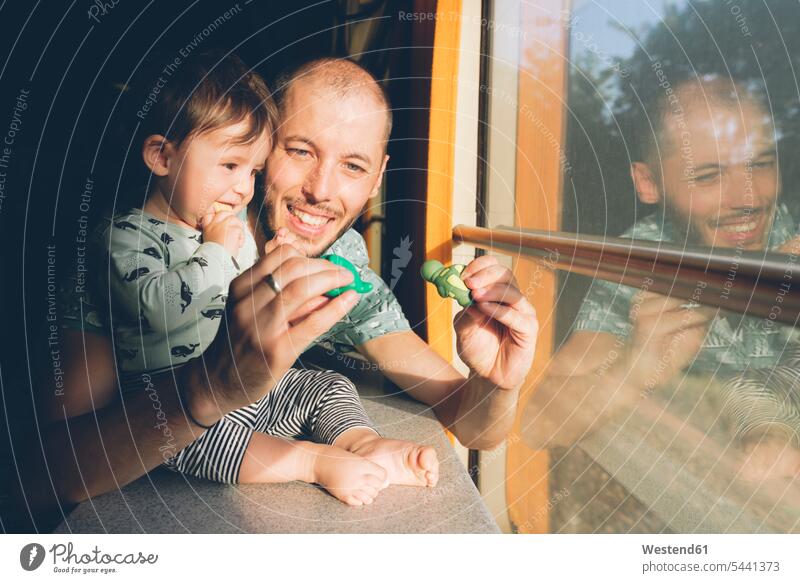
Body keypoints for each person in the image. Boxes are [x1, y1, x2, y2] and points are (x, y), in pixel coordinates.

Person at [27, 56, 537, 521]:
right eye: (300, 151)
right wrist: (206, 389)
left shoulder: (339, 269)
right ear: (263, 146)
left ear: (377, 178)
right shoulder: (136, 249)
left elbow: (475, 426)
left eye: (353, 166)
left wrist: (497, 380)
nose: (321, 189)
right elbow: (50, 475)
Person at [95, 51, 438, 507]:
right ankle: (311, 460)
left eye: (252, 172)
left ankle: (359, 442)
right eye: (299, 151)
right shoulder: (126, 236)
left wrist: (267, 265)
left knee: (326, 385)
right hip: (176, 397)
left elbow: (444, 387)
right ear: (161, 156)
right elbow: (158, 306)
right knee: (199, 440)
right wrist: (220, 250)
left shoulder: (272, 241)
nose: (241, 189)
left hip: (253, 392)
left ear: (377, 177)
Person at [522, 72, 800, 480]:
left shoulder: (790, 231)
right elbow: (539, 423)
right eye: (708, 176)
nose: (750, 199)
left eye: (760, 164)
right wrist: (639, 365)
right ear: (648, 183)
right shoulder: (642, 264)